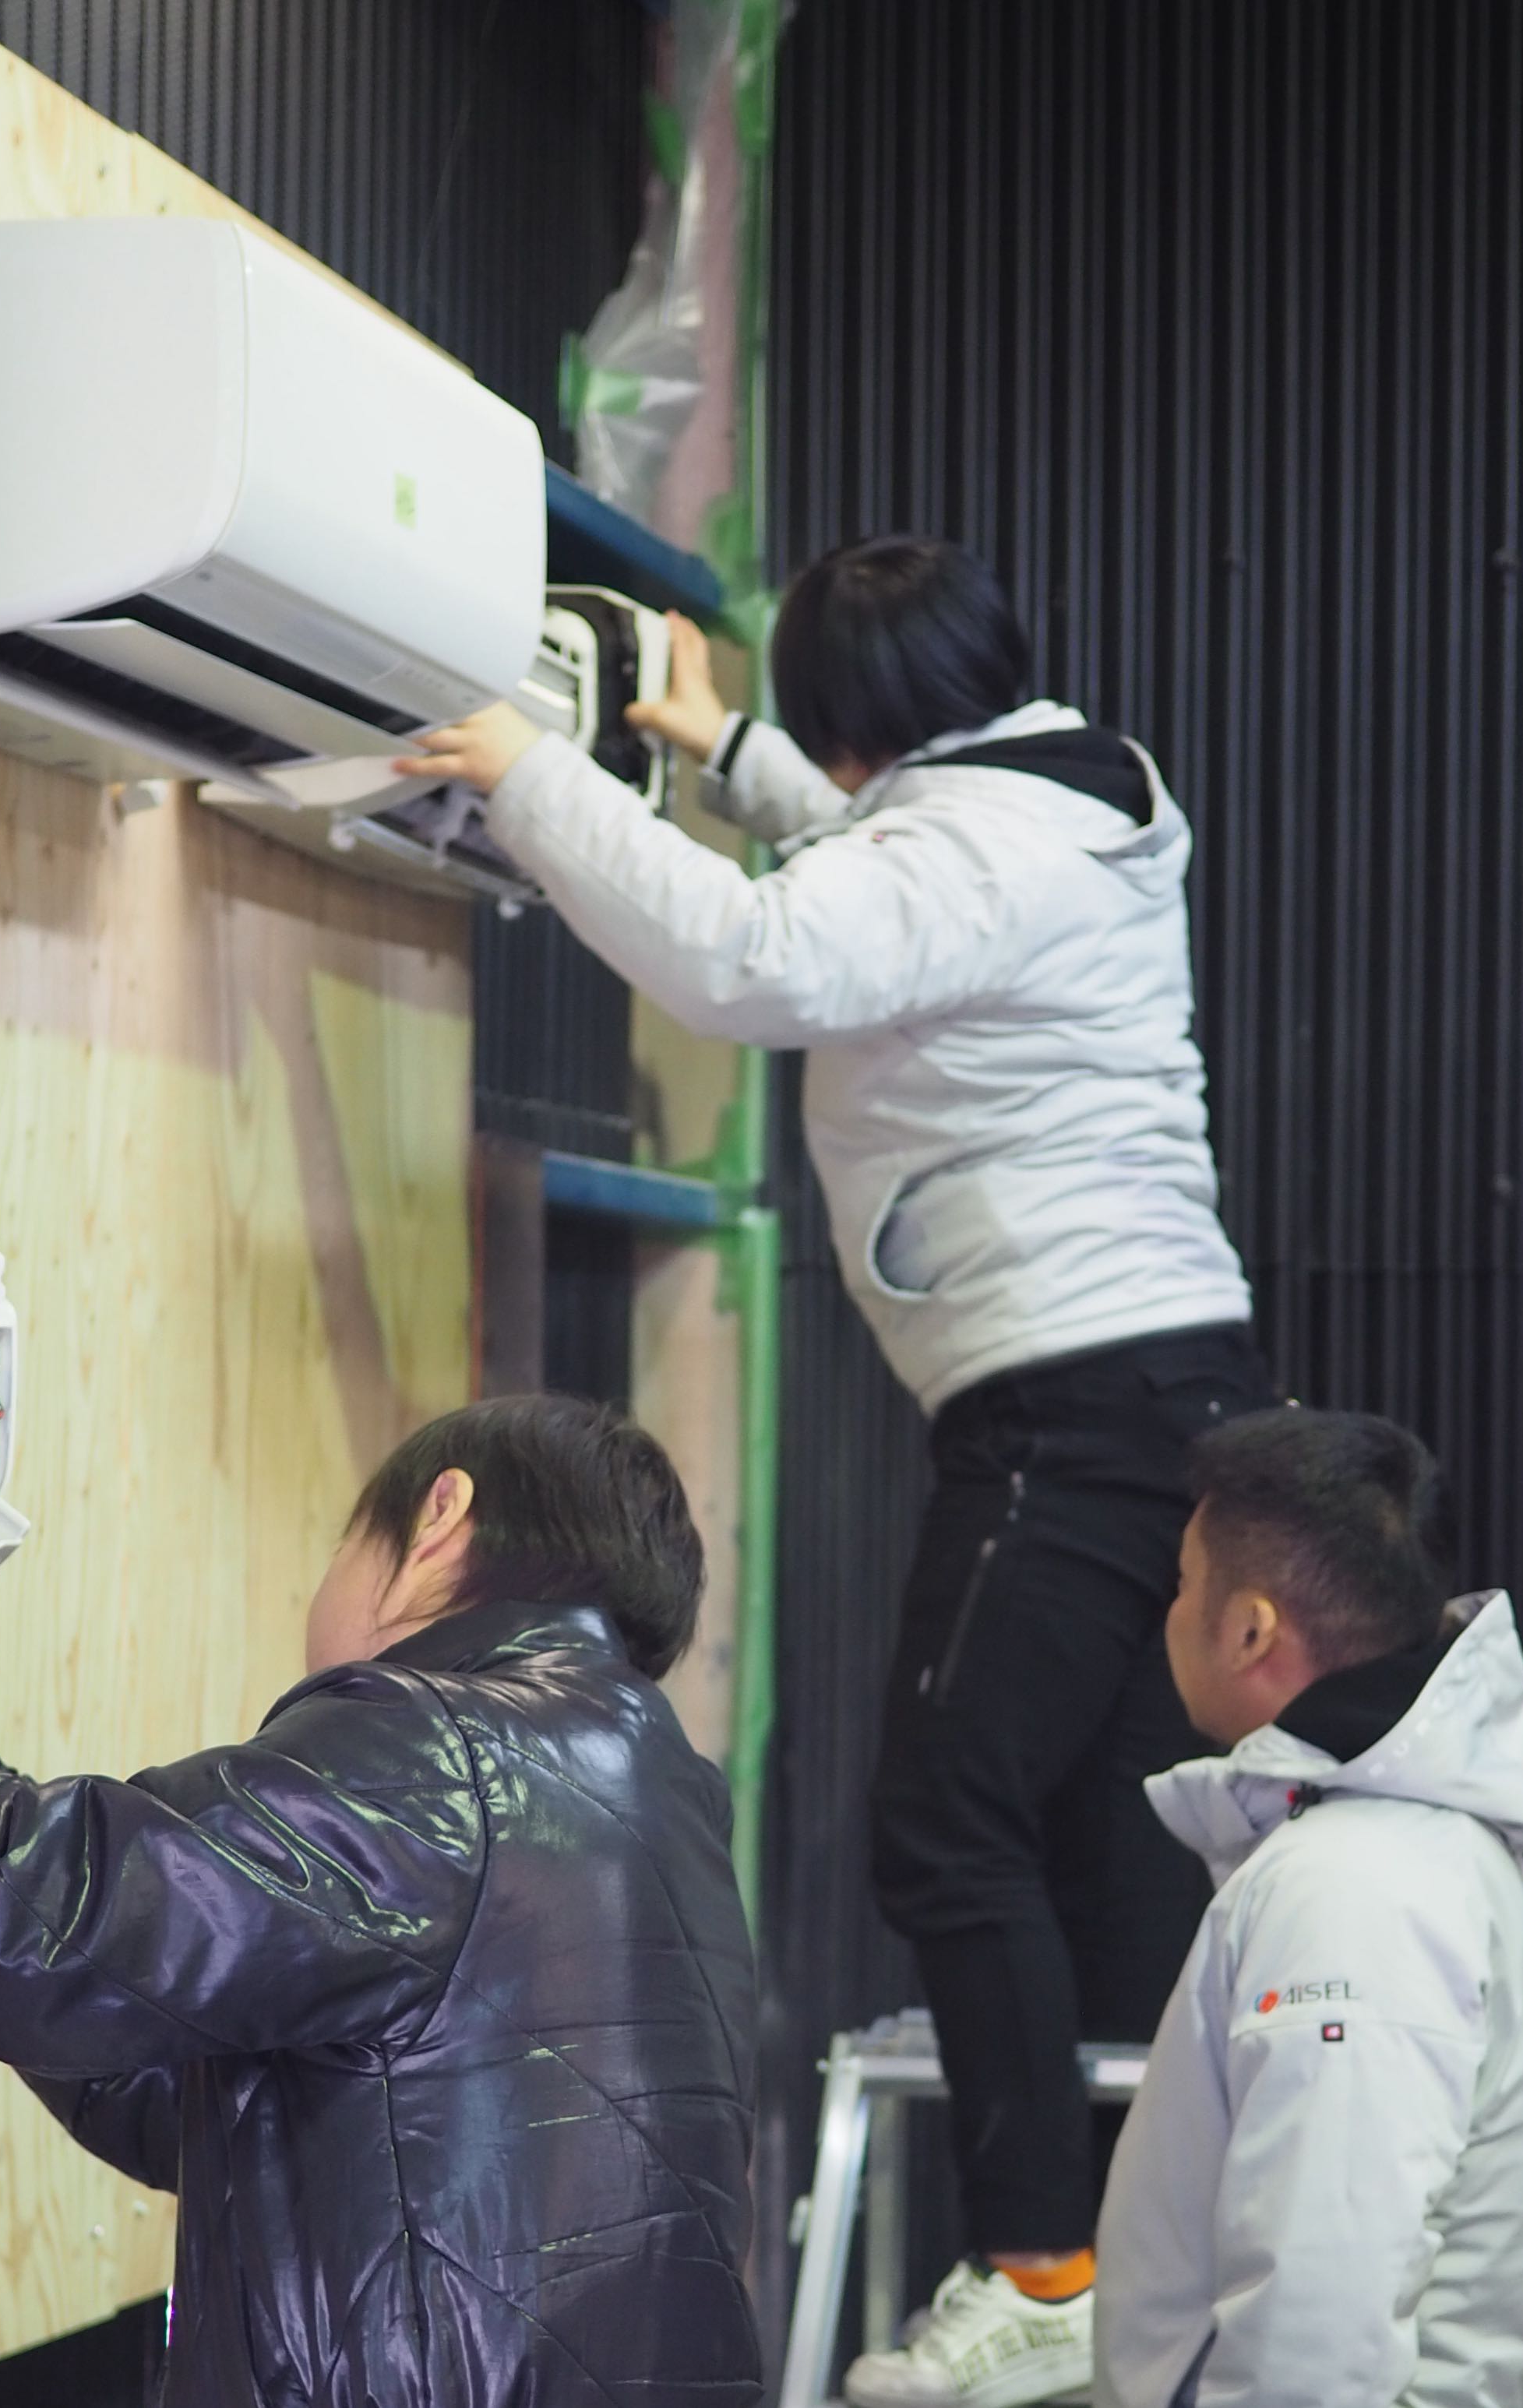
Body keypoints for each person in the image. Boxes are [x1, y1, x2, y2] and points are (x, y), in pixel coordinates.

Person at [406, 535, 1278, 2407]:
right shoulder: (1069, 791)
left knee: (946, 1819)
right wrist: (728, 757)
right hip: (1155, 1381)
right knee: (1092, 1842)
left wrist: (527, 772)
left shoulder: (967, 848)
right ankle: (1125, 2275)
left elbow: (761, 955)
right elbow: (890, 860)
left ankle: (1042, 2269)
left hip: (1065, 1406)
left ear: (869, 720)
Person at [0, 1400, 760, 2408]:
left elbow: (26, 1933)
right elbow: (223, 2103)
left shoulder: (441, 1755)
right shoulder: (657, 1796)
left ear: (440, 1516)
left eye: (346, 1540)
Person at [1094, 1408, 1523, 2408]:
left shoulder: (1354, 1883)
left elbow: (1320, 2308)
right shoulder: (1387, 1848)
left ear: (1251, 1627)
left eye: (1183, 1582)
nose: (1168, 1615)